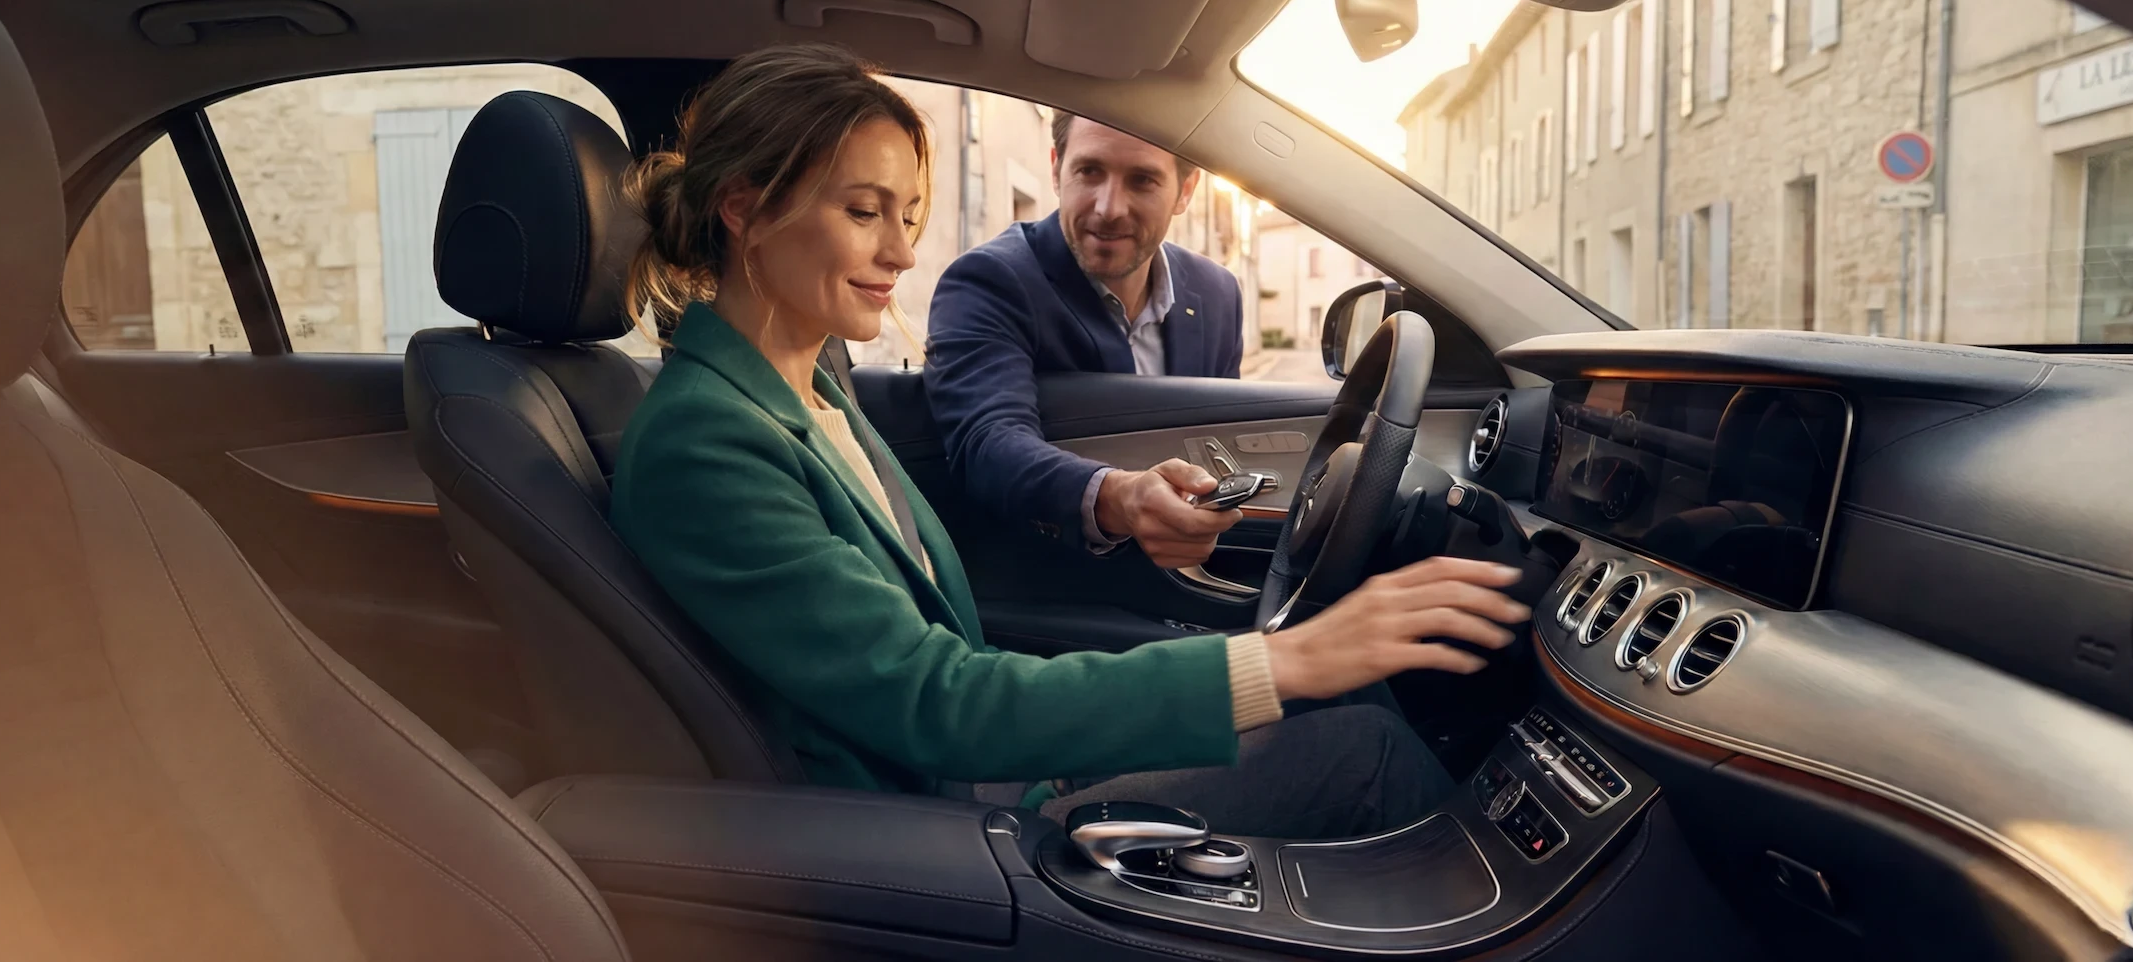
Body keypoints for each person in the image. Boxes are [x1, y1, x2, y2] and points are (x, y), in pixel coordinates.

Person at [605, 42, 1530, 838]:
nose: (899, 252)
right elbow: (940, 701)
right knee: (1360, 747)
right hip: (926, 838)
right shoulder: (706, 441)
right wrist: (1287, 658)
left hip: (970, 780)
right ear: (742, 207)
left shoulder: (810, 393)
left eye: (908, 213)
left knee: (1347, 698)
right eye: (862, 212)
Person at [924, 113, 1245, 569]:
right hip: (1050, 587)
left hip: (1189, 577)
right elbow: (988, 440)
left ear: (1185, 192)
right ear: (1056, 170)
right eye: (1089, 171)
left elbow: (1227, 438)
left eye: (1142, 180)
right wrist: (1120, 497)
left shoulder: (1217, 292)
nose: (1109, 207)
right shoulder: (990, 279)